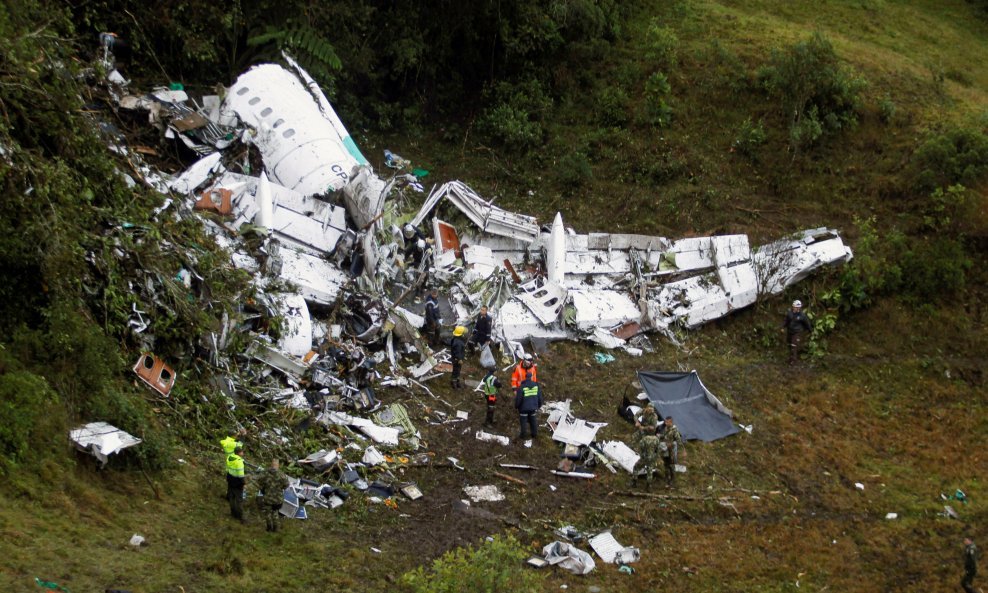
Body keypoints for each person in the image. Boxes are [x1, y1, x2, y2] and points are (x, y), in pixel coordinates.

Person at [257, 459, 290, 532]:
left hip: (267, 496)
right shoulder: (281, 474)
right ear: (278, 465)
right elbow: (287, 484)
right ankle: (275, 528)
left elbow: (259, 480)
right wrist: (281, 488)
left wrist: (263, 488)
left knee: (268, 513)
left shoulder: (265, 473)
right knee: (275, 513)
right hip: (277, 498)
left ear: (271, 465)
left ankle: (269, 527)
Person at [781, 299, 812, 365]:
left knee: (794, 345)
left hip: (797, 332)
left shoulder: (802, 316)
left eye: (795, 307)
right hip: (790, 331)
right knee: (789, 344)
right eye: (793, 307)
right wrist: (783, 327)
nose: (794, 308)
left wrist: (810, 331)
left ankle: (794, 361)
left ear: (799, 308)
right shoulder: (790, 313)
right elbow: (786, 321)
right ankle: (790, 358)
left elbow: (807, 323)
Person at [514, 375, 543, 440]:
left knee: (523, 422)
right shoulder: (536, 385)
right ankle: (534, 434)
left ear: (525, 378)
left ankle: (523, 435)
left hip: (523, 408)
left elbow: (518, 399)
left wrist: (516, 406)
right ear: (531, 377)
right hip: (533, 407)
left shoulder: (521, 387)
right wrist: (538, 405)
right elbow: (540, 397)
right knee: (533, 420)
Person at [658, 416, 684, 487]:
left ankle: (672, 480)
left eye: (667, 422)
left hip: (671, 450)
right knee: (665, 464)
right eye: (665, 422)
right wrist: (660, 436)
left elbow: (678, 440)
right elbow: (664, 436)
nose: (666, 423)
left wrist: (683, 450)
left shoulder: (674, 430)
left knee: (671, 465)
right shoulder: (666, 428)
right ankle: (667, 478)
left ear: (671, 422)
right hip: (665, 449)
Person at [226, 445, 246, 522]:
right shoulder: (239, 462)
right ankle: (240, 516)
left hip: (230, 479)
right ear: (239, 453)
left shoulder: (230, 457)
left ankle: (233, 513)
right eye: (242, 451)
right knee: (239, 500)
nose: (243, 453)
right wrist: (244, 483)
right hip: (237, 482)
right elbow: (241, 475)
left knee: (232, 498)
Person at [220, 433, 243, 500]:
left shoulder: (227, 442)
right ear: (233, 436)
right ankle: (233, 497)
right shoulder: (231, 444)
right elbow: (240, 446)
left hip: (230, 465)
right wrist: (243, 435)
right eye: (236, 435)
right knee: (235, 483)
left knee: (230, 483)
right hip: (235, 466)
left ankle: (229, 496)